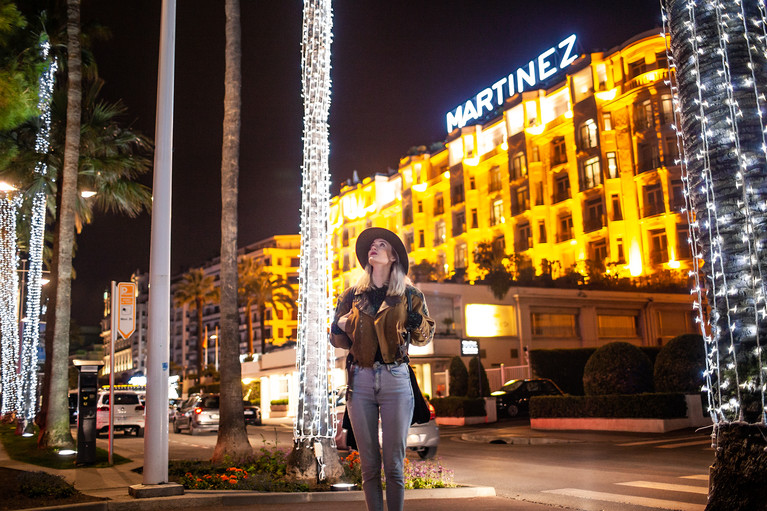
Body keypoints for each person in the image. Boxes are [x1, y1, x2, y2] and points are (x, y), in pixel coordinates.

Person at [330, 227, 435, 511]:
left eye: (381, 244)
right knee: (369, 465)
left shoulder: (409, 294)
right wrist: (336, 325)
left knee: (393, 464)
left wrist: (415, 321)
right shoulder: (352, 295)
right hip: (360, 380)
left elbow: (424, 337)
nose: (373, 247)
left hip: (396, 379)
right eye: (371, 245)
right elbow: (339, 340)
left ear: (393, 258)